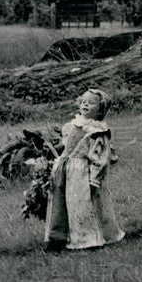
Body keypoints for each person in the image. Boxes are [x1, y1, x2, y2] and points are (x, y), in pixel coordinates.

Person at [44, 89, 125, 251]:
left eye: (91, 102)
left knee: (83, 206)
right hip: (67, 171)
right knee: (65, 205)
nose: (85, 104)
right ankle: (61, 236)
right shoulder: (72, 126)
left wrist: (94, 178)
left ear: (101, 109)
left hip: (83, 173)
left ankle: (87, 239)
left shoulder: (97, 132)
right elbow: (67, 148)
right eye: (83, 102)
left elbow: (101, 158)